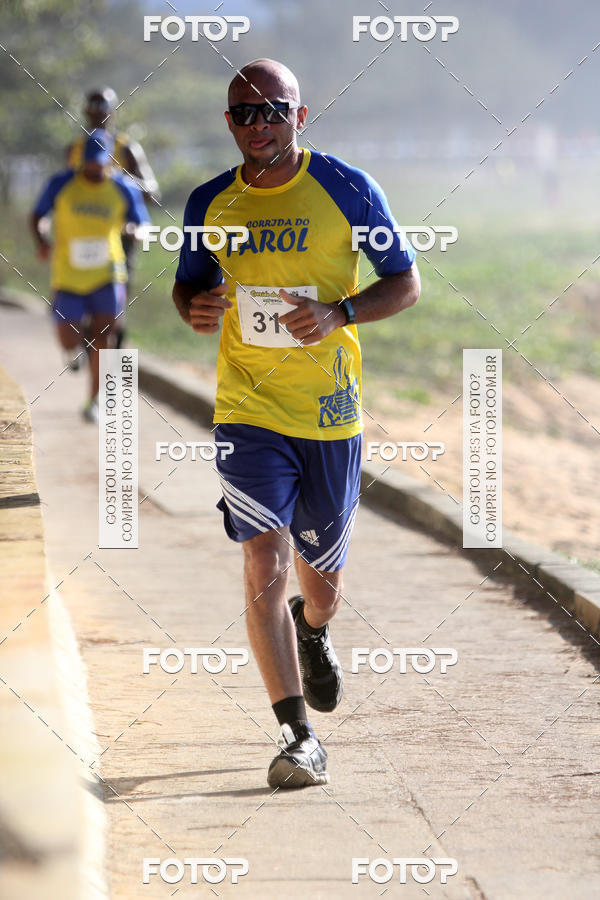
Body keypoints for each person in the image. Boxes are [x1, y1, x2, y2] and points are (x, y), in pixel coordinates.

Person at [172, 59, 420, 788]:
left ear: (300, 117)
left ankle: (312, 630)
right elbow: (190, 289)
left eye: (273, 111)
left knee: (321, 587)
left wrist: (340, 312)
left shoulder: (347, 188)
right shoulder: (209, 202)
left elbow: (405, 283)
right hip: (247, 409)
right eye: (244, 114)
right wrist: (195, 309)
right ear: (229, 124)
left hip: (330, 414)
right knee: (263, 559)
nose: (259, 126)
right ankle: (296, 735)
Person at [31, 129, 149, 422]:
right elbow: (38, 215)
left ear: (109, 160)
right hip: (68, 274)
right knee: (67, 337)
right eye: (90, 163)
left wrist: (135, 231)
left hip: (108, 272)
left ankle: (94, 401)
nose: (95, 169)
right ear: (82, 161)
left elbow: (142, 222)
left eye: (100, 163)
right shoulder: (61, 184)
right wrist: (42, 240)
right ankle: (75, 350)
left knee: (105, 337)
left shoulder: (124, 188)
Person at [66, 87, 161, 347]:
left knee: (115, 310)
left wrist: (119, 179)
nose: (99, 115)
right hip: (80, 236)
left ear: (113, 113)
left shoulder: (127, 148)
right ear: (85, 112)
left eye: (104, 110)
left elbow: (152, 191)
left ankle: (115, 376)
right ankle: (87, 350)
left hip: (119, 237)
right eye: (93, 109)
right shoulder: (74, 149)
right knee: (82, 300)